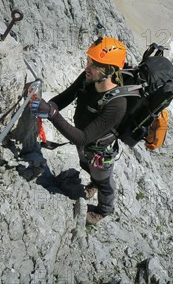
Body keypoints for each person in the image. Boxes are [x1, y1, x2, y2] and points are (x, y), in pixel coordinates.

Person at [31, 37, 127, 224]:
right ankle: (93, 183)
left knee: (104, 181)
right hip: (85, 144)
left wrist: (51, 113)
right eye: (88, 61)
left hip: (99, 150)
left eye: (93, 64)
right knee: (86, 166)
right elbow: (66, 97)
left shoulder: (117, 104)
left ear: (108, 70)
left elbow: (82, 138)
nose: (86, 67)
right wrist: (44, 105)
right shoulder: (88, 78)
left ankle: (103, 210)